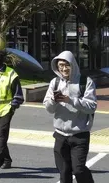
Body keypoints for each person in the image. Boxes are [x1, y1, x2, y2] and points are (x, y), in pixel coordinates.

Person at [43, 51, 97, 183]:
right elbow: (49, 109)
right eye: (61, 65)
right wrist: (53, 101)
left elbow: (91, 106)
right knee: (64, 172)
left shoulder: (85, 82)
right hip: (60, 135)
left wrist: (71, 100)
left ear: (73, 65)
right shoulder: (55, 82)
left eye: (67, 65)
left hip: (80, 134)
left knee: (78, 169)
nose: (64, 68)